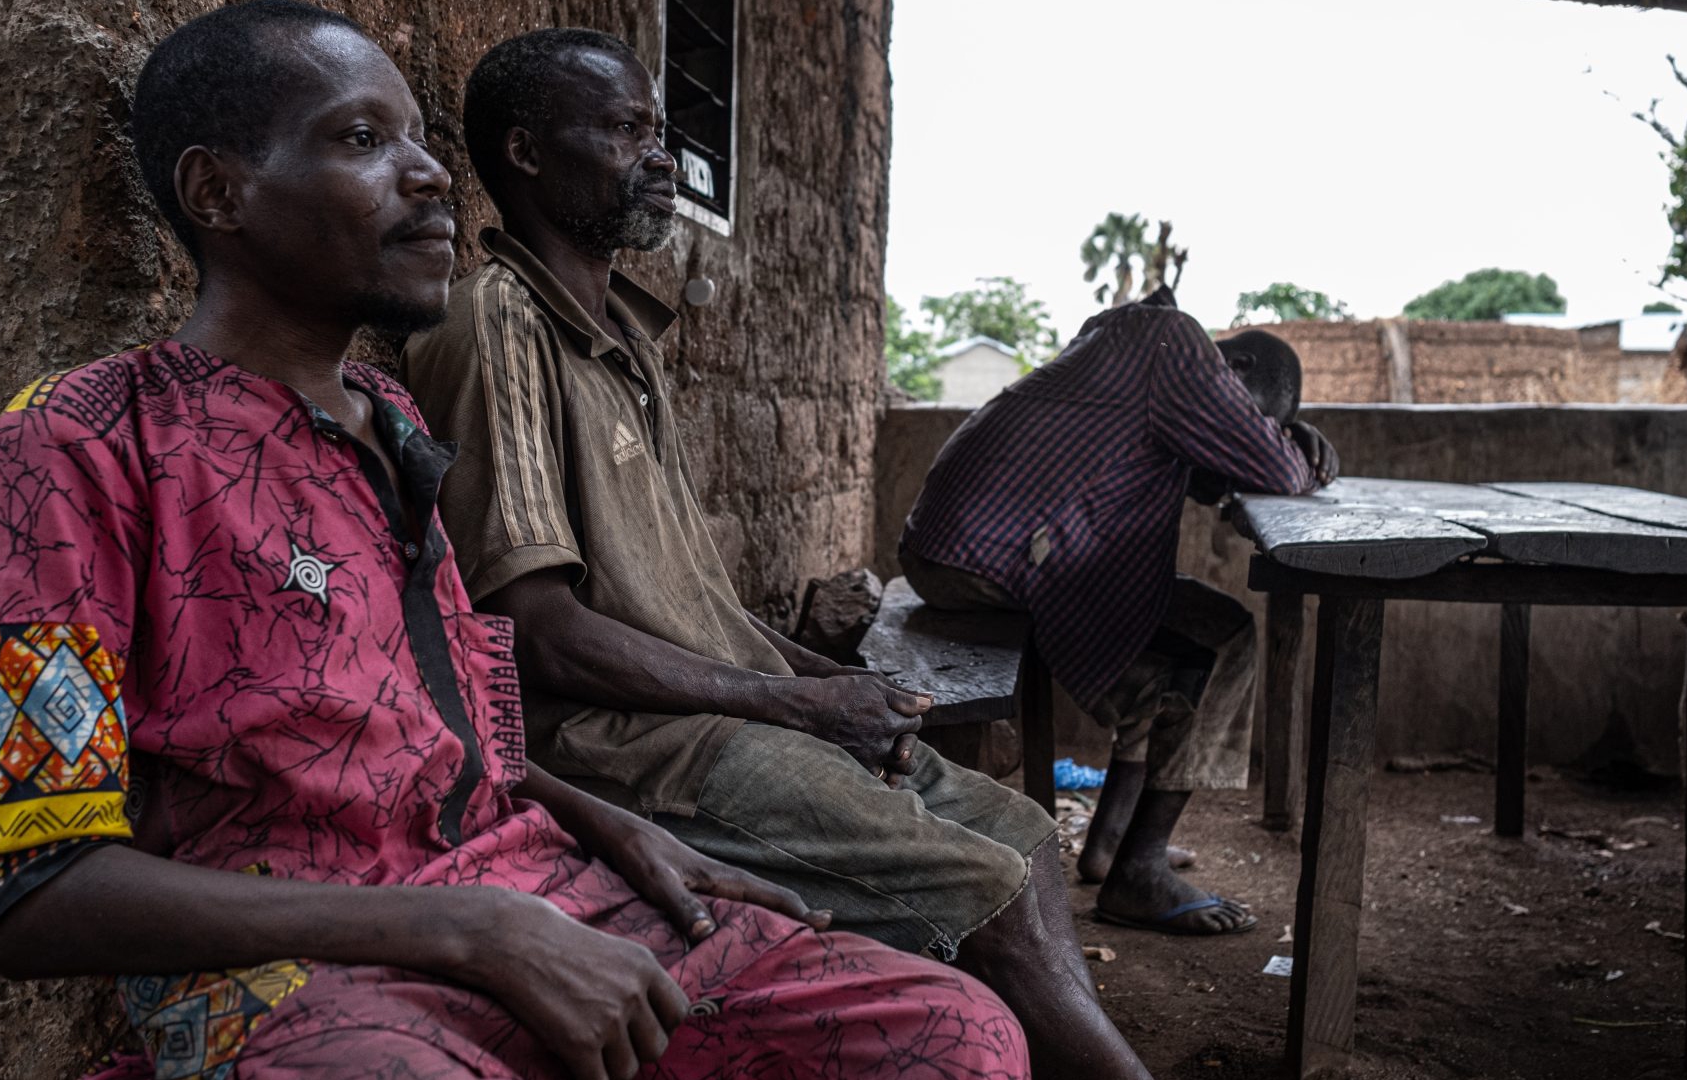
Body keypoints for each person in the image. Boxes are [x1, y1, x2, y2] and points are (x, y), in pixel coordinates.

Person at [0, 6, 1029, 1079]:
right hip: (293, 967)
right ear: (216, 192)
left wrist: (606, 824)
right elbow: (35, 888)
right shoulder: (83, 440)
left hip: (532, 888)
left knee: (955, 1035)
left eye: (418, 136)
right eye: (363, 140)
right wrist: (467, 929)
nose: (428, 175)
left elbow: (447, 738)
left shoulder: (396, 427)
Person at [401, 28, 1152, 1080]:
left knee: (1021, 834)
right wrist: (798, 708)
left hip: (722, 717)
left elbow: (693, 603)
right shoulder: (499, 325)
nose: (657, 155)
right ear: (525, 154)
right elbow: (537, 636)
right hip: (631, 748)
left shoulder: (623, 336)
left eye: (657, 130)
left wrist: (830, 683)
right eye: (622, 132)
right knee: (978, 884)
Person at [901, 305, 1339, 937]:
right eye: (1255, 415)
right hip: (983, 558)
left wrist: (1278, 439)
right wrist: (1295, 447)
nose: (1249, 428)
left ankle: (1112, 846)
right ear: (1235, 365)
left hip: (960, 548)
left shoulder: (1136, 345)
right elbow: (1278, 471)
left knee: (1161, 642)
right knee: (1222, 640)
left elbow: (1217, 472)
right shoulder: (1177, 344)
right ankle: (1137, 870)